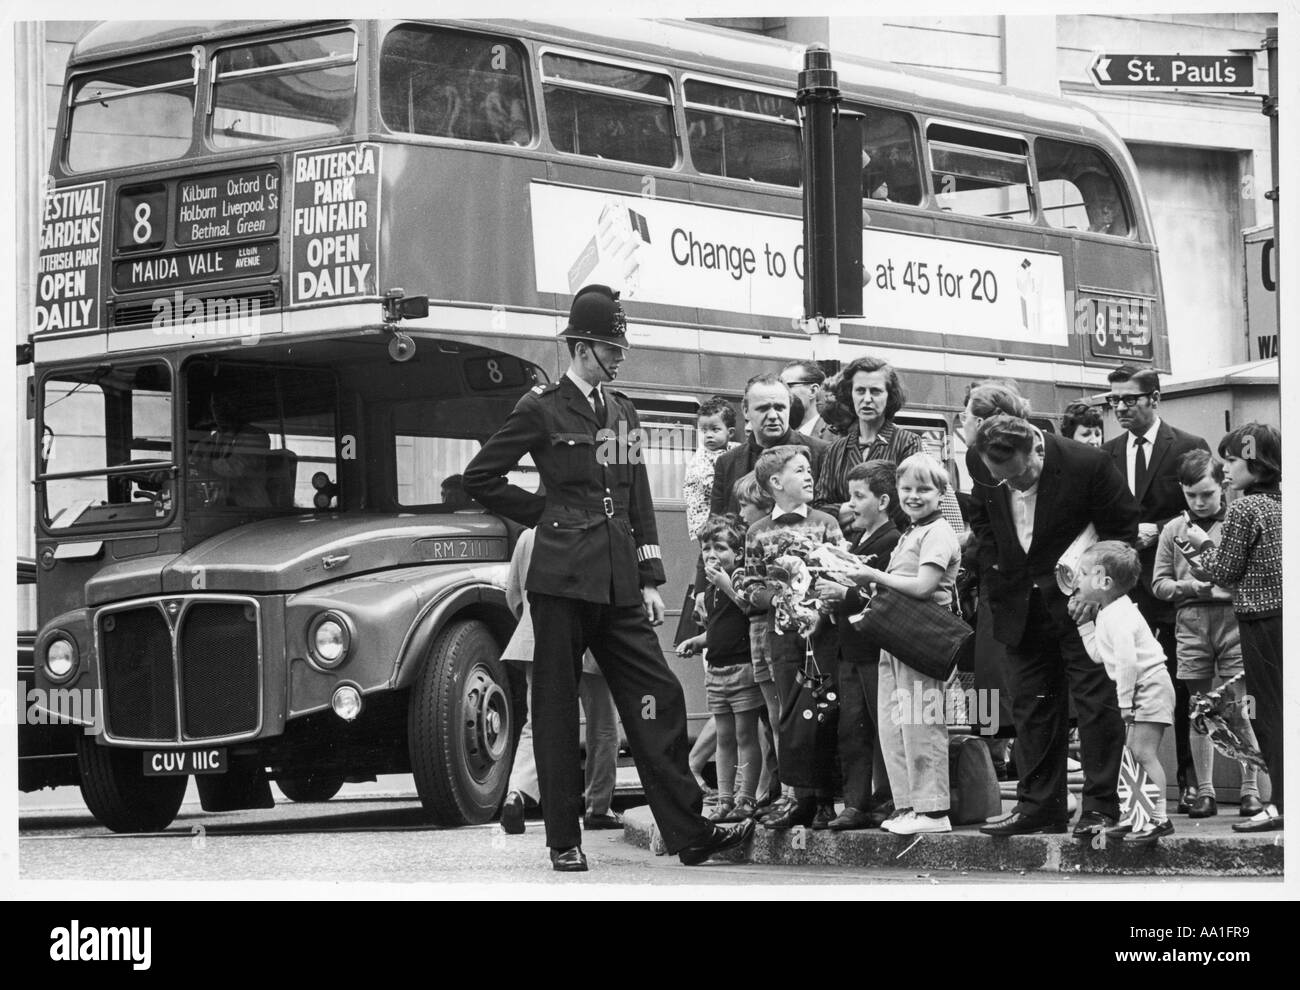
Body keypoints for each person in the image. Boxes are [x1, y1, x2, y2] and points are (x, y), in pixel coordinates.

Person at [462, 284, 754, 870]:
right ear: (582, 347)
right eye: (611, 347)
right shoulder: (540, 408)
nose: (620, 356)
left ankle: (688, 832)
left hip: (619, 580)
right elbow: (481, 476)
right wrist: (546, 515)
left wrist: (649, 577)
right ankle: (563, 839)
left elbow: (636, 494)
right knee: (554, 705)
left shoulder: (621, 410)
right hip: (562, 580)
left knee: (658, 695)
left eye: (619, 346)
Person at [968, 415, 1139, 838]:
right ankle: (1040, 807)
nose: (1013, 485)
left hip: (1082, 607)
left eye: (1020, 475)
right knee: (1031, 705)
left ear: (1037, 450)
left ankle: (1102, 807)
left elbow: (1122, 535)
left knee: (1097, 705)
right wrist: (997, 574)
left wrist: (1095, 593)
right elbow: (985, 523)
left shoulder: (1089, 465)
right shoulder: (983, 465)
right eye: (1001, 479)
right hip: (1019, 604)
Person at [1101, 365, 1209, 813]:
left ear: (1155, 399)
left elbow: (1198, 511)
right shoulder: (1107, 453)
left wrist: (1158, 529)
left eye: (1129, 399)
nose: (1121, 407)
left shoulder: (1186, 446)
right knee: (1124, 679)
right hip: (1125, 586)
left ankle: (1187, 781)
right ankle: (1129, 788)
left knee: (1179, 684)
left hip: (1169, 581)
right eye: (1114, 401)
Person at [838, 454, 961, 834]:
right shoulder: (913, 530)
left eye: (923, 489)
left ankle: (934, 811)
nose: (913, 495)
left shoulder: (938, 532)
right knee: (897, 725)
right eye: (906, 488)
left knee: (920, 723)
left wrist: (873, 574)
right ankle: (910, 804)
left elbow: (924, 587)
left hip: (919, 636)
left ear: (941, 493)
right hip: (896, 636)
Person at [1182, 423, 1283, 833]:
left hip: (1259, 622)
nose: (1225, 469)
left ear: (1255, 463)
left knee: (1269, 717)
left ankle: (1281, 803)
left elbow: (1224, 572)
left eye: (1232, 460)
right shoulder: (1283, 502)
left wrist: (1200, 545)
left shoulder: (1243, 508)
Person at [1151, 450, 1263, 819]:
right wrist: (1186, 588)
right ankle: (1206, 792)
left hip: (1233, 621)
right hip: (1191, 624)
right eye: (1191, 495)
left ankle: (1251, 791)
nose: (1199, 502)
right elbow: (1159, 585)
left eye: (1207, 494)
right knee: (1200, 711)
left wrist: (1216, 590)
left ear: (1223, 487)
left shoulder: (1239, 521)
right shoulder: (1173, 529)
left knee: (1239, 708)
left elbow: (1252, 579)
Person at [738, 444, 844, 829]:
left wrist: (818, 605)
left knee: (825, 708)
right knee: (791, 714)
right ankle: (799, 797)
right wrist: (776, 598)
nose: (809, 475)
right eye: (799, 470)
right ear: (775, 482)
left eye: (809, 469)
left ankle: (826, 799)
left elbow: (839, 571)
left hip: (822, 632)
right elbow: (749, 583)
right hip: (782, 635)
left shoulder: (826, 522)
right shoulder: (758, 531)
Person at [499, 528, 622, 835]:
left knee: (537, 722)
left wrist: (529, 625)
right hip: (592, 645)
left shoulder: (527, 536)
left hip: (537, 641)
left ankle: (517, 793)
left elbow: (513, 595)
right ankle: (598, 806)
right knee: (603, 726)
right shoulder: (595, 532)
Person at [814, 459, 901, 829]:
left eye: (858, 496)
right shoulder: (860, 540)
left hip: (873, 648)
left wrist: (842, 595)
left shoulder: (892, 540)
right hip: (851, 648)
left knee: (880, 729)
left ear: (882, 501)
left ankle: (885, 799)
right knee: (853, 728)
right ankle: (856, 802)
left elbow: (886, 596)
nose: (849, 504)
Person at [1071, 541, 1176, 844]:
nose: (1076, 579)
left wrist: (1125, 701)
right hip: (1141, 688)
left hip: (1149, 686)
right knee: (1132, 754)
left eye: (1083, 572)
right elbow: (1098, 655)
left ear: (1104, 582)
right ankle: (1139, 818)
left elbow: (1128, 662)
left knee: (1143, 753)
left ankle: (1159, 819)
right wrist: (1084, 626)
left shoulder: (1120, 616)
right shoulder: (1108, 612)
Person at [676, 516, 765, 823]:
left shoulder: (737, 578)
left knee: (745, 735)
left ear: (738, 553)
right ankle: (724, 798)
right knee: (724, 737)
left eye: (720, 548)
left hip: (742, 668)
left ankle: (746, 797)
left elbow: (749, 608)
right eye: (706, 548)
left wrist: (726, 586)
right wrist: (698, 641)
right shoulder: (711, 589)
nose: (711, 554)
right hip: (717, 670)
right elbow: (718, 629)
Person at [816, 355, 922, 534]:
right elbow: (819, 509)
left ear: (889, 396)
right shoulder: (836, 449)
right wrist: (869, 509)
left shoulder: (907, 443)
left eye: (875, 391)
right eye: (860, 391)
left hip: (889, 548)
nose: (866, 399)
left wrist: (846, 515)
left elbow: (905, 508)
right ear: (850, 394)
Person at [733, 471, 781, 810]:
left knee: (776, 717)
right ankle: (772, 787)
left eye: (744, 504)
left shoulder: (760, 534)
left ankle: (777, 789)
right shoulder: (751, 535)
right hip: (758, 630)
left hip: (767, 629)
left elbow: (749, 595)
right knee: (769, 718)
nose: (740, 512)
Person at [188, 389, 272, 509]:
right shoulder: (204, 444)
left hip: (249, 509)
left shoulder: (256, 436)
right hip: (214, 508)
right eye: (215, 405)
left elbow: (236, 468)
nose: (219, 410)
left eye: (226, 404)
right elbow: (192, 474)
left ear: (237, 407)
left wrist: (200, 463)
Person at [683, 396, 738, 540]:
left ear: (730, 433)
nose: (708, 435)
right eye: (704, 430)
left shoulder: (734, 449)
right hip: (705, 521)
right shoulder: (700, 459)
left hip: (724, 520)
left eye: (715, 430)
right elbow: (710, 485)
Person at [781, 360, 835, 442]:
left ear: (812, 391)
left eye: (788, 386)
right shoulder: (778, 435)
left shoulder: (833, 436)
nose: (782, 393)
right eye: (780, 387)